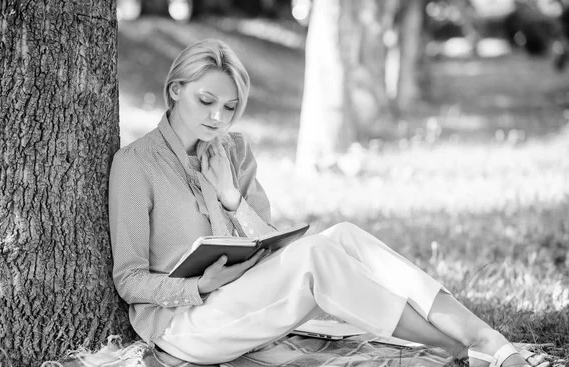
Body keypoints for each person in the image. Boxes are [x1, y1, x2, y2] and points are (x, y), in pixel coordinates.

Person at [109, 39, 544, 367]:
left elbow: (268, 243)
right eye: (206, 101)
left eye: (230, 106)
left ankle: (484, 338)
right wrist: (198, 286)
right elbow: (129, 280)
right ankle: (464, 346)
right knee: (318, 255)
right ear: (174, 91)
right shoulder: (135, 165)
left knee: (344, 236)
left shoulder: (233, 151)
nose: (218, 118)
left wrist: (230, 196)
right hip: (183, 325)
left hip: (246, 300)